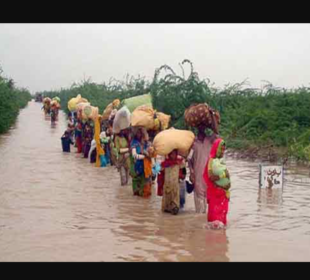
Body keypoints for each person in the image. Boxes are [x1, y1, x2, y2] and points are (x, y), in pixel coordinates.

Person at [188, 124, 218, 214]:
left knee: (209, 199)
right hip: (197, 175)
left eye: (203, 127)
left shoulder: (210, 140)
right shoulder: (193, 143)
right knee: (199, 202)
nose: (201, 129)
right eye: (199, 127)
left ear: (205, 129)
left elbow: (217, 133)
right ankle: (199, 222)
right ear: (197, 129)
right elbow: (189, 159)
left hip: (209, 175)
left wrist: (213, 118)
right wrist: (191, 172)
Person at [203, 138, 231, 228]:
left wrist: (227, 185)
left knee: (222, 223)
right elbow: (211, 177)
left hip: (223, 194)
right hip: (215, 194)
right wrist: (223, 175)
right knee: (214, 222)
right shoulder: (211, 161)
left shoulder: (220, 161)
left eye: (224, 149)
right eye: (221, 149)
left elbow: (227, 174)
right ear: (216, 148)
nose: (223, 152)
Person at [161, 149, 186, 215]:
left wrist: (183, 156)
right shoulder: (165, 163)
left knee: (175, 201)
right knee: (166, 205)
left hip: (175, 185)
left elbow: (184, 167)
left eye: (174, 154)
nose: (173, 155)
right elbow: (159, 172)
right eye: (171, 154)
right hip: (167, 185)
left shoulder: (179, 162)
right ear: (169, 154)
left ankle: (175, 208)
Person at [130, 127, 152, 197]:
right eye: (138, 133)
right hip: (138, 166)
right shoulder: (134, 142)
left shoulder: (146, 143)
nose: (139, 134)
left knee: (146, 187)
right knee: (137, 191)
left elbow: (151, 154)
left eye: (141, 133)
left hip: (146, 167)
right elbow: (134, 155)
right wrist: (144, 157)